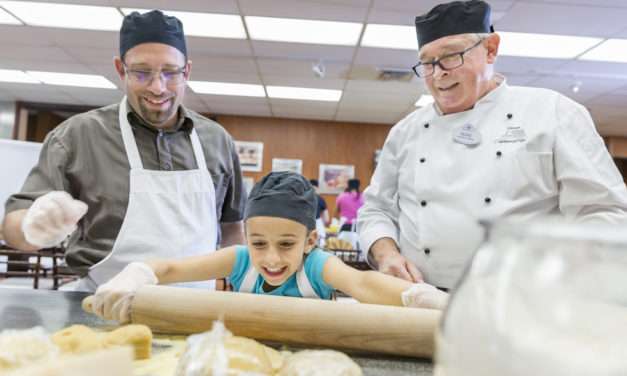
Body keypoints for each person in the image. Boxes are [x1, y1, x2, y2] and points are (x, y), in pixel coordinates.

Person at [357, 0, 627, 290]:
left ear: (491, 49)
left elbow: (605, 212)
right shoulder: (405, 132)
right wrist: (386, 254)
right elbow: (376, 210)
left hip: (523, 299)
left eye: (451, 56)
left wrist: (555, 267)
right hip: (421, 296)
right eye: (427, 62)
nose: (438, 73)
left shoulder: (553, 113)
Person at [2, 10, 246, 291]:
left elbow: (232, 229)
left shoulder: (217, 141)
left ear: (187, 71)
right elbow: (14, 227)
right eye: (142, 73)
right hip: (100, 309)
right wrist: (32, 226)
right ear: (121, 69)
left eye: (170, 73)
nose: (158, 87)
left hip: (197, 311)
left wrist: (235, 287)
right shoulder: (77, 137)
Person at [90, 172, 448, 323]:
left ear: (310, 241)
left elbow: (365, 284)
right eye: (259, 243)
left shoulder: (317, 266)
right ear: (245, 235)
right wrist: (137, 274)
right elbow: (172, 269)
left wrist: (415, 296)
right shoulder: (239, 260)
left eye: (287, 244)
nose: (271, 258)